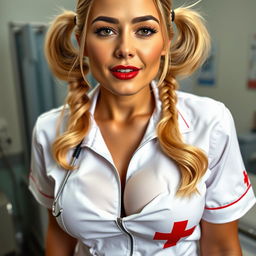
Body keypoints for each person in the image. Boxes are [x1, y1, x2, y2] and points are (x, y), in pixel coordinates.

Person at [28, 0, 256, 255]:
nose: (125, 49)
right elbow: (59, 239)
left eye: (145, 30)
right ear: (82, 43)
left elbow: (222, 247)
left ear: (167, 41)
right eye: (105, 31)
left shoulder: (210, 123)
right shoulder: (50, 131)